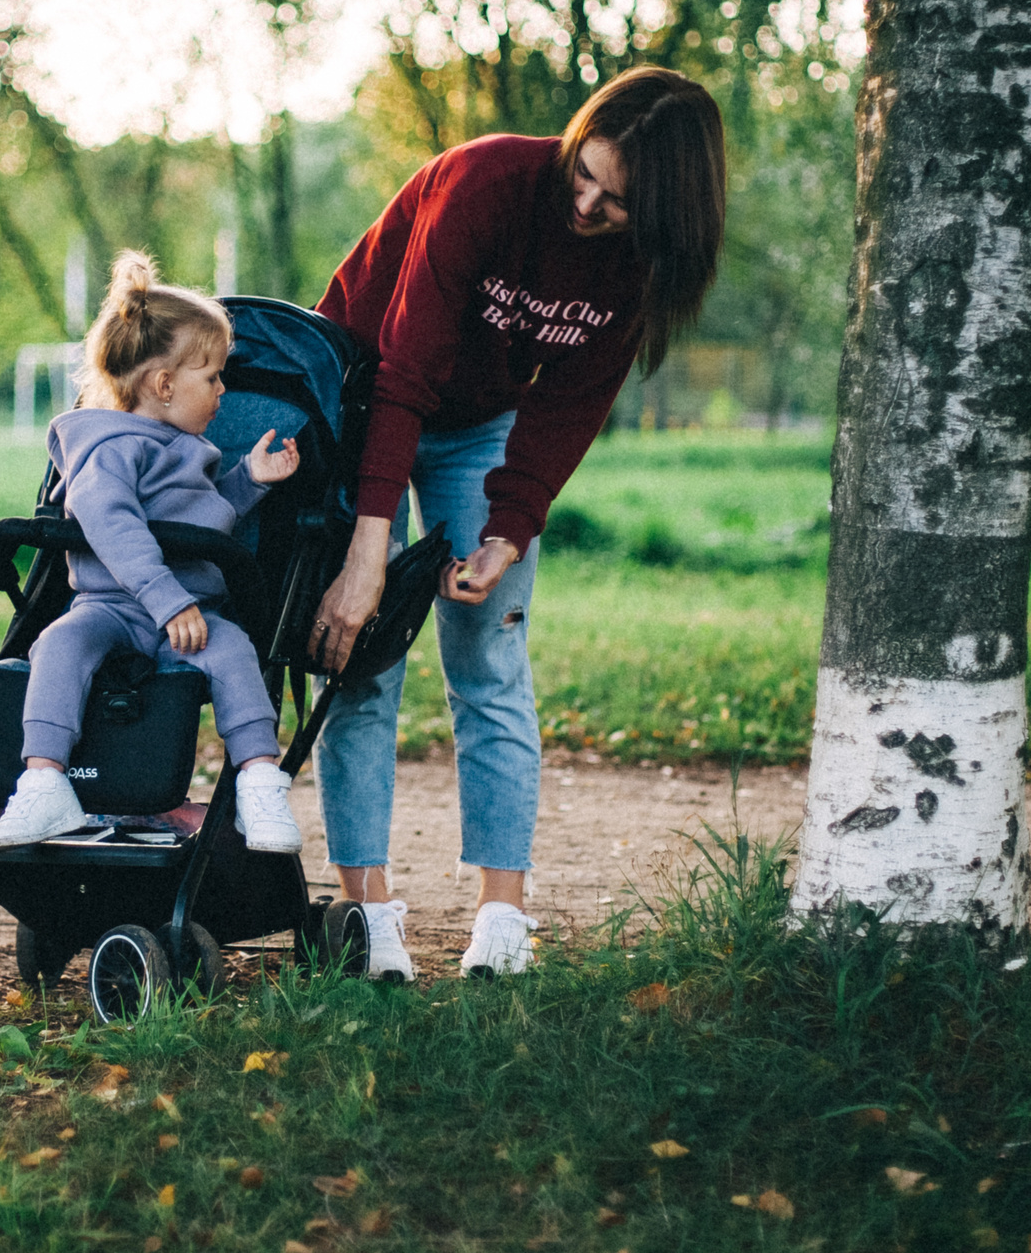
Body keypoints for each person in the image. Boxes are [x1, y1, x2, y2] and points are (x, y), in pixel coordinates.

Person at [308, 67, 728, 979]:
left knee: (489, 653)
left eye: (615, 202)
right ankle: (366, 909)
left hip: (479, 430)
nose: (584, 203)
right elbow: (405, 368)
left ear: (660, 216)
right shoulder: (486, 182)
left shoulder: (637, 271)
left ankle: (502, 918)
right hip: (359, 399)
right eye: (584, 171)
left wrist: (511, 527)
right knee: (361, 648)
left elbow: (568, 405)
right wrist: (367, 547)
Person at [0, 251, 308, 854]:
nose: (222, 391)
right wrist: (165, 598)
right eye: (211, 377)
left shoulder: (188, 448)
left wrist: (248, 481)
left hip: (189, 614)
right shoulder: (110, 446)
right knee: (57, 643)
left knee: (235, 650)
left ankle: (259, 781)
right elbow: (107, 518)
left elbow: (203, 518)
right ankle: (44, 781)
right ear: (163, 385)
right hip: (114, 604)